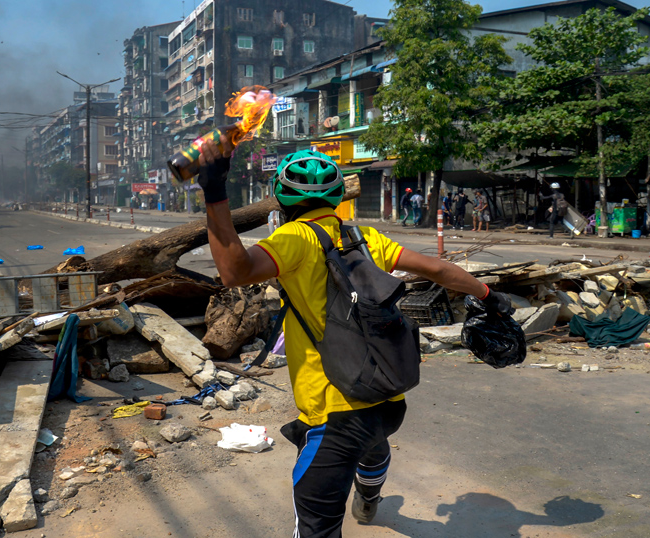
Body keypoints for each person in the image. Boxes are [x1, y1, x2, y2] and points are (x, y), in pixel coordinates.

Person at [192, 139, 511, 537]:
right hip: (388, 399)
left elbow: (235, 272)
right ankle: (369, 499)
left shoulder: (294, 238)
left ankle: (364, 498)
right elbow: (439, 269)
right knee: (373, 443)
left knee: (317, 526)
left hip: (333, 416)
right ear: (339, 194)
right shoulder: (366, 238)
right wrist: (490, 297)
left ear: (281, 197)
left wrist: (215, 195)